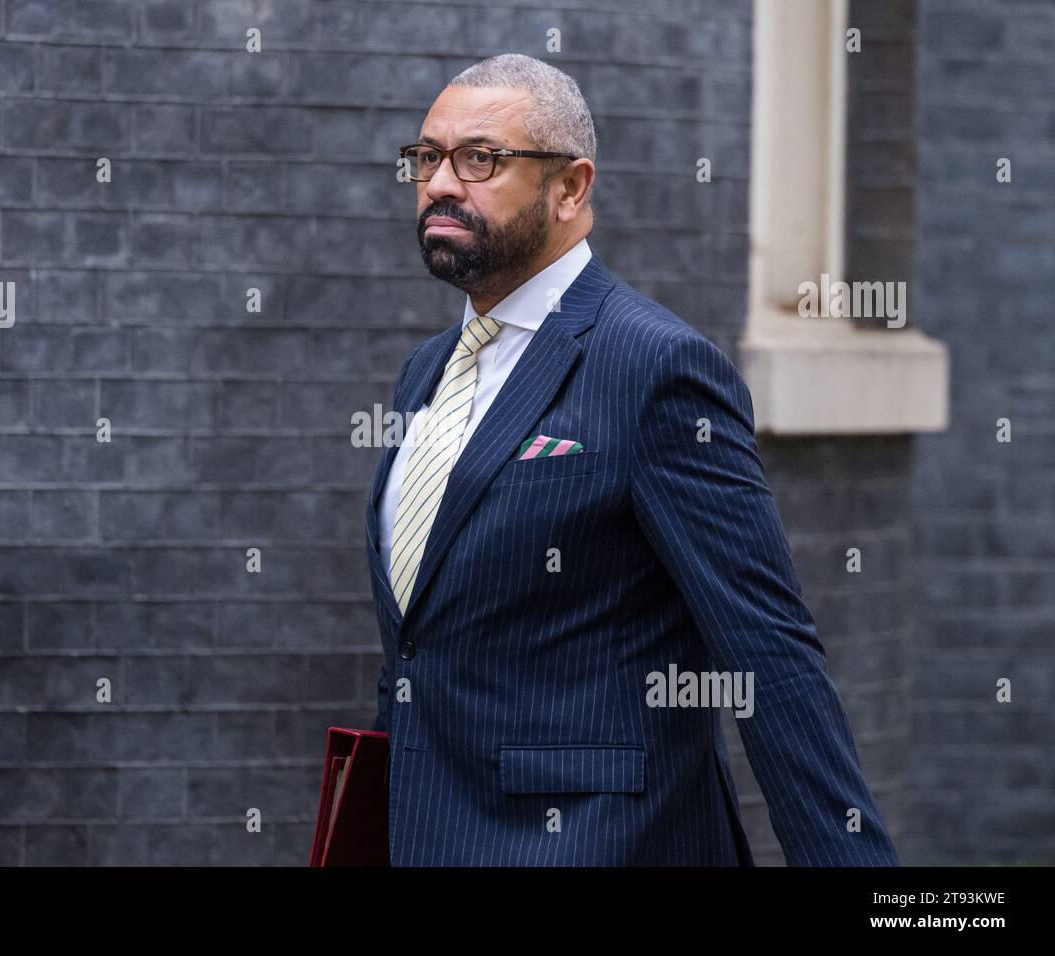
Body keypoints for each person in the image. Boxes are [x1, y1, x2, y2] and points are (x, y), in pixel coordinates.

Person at [364, 53, 898, 866]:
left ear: (571, 187)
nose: (440, 183)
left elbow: (767, 650)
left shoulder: (655, 368)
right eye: (426, 157)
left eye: (480, 159)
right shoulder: (423, 374)